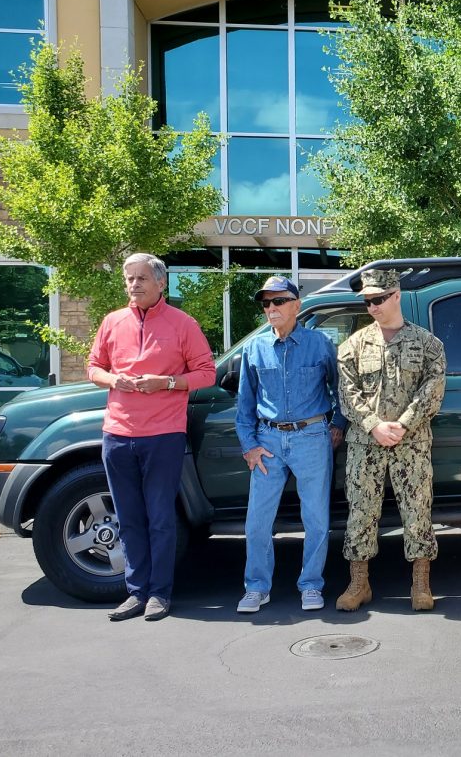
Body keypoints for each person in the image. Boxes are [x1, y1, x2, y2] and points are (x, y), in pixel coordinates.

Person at [88, 253, 216, 622]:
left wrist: (168, 382)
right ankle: (136, 592)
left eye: (141, 278)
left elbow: (206, 372)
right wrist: (114, 379)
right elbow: (94, 368)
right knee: (128, 518)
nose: (134, 285)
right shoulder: (112, 322)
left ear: (161, 283)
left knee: (160, 518)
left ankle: (160, 593)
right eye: (129, 279)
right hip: (117, 433)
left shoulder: (183, 324)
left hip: (163, 434)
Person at [335, 269, 446, 612]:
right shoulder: (352, 346)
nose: (372, 306)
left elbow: (433, 390)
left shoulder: (427, 344)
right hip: (365, 444)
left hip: (411, 443)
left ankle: (421, 583)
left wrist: (403, 424)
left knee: (418, 511)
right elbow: (347, 394)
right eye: (368, 301)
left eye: (379, 299)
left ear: (396, 295)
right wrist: (374, 425)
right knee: (361, 511)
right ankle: (359, 583)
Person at [234, 275, 345, 613]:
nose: (271, 307)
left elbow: (340, 389)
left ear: (297, 305)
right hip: (267, 439)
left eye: (279, 301)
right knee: (257, 520)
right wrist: (249, 445)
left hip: (312, 437)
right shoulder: (255, 348)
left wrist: (337, 425)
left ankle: (311, 585)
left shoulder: (320, 344)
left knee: (316, 518)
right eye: (266, 303)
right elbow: (245, 403)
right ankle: (257, 587)